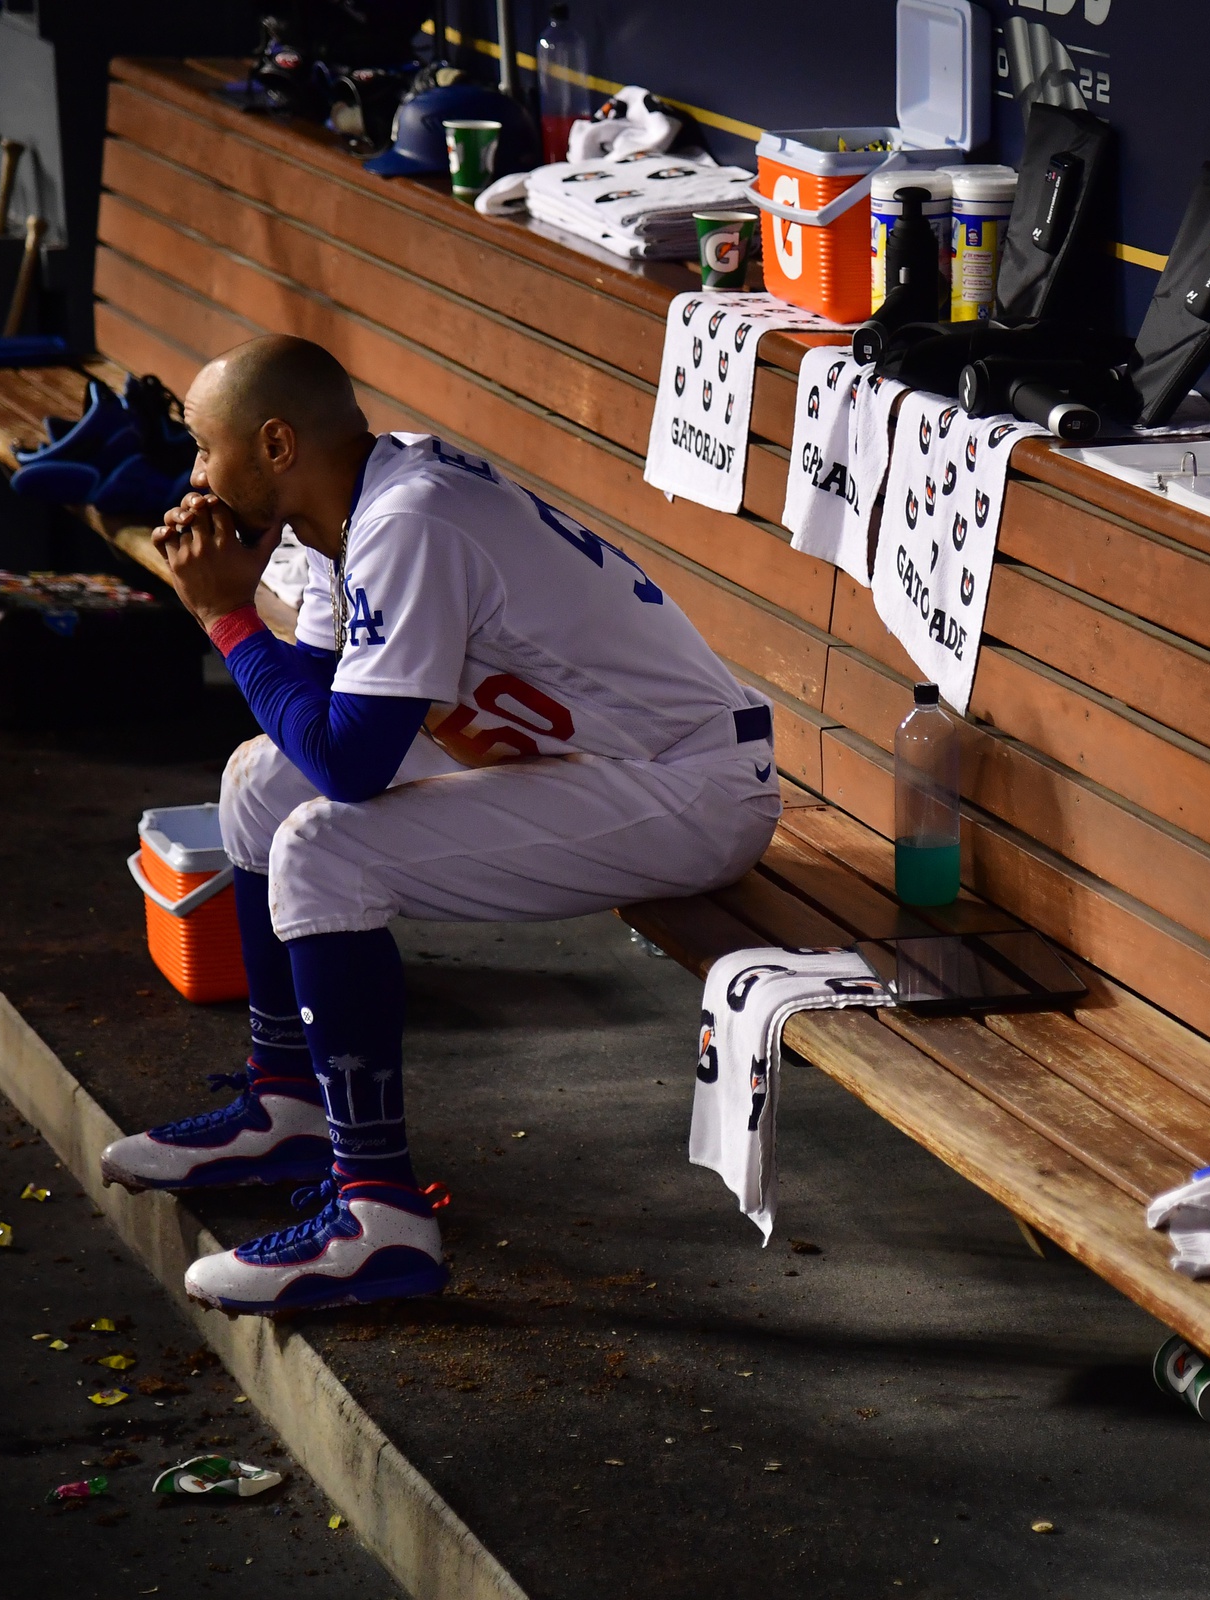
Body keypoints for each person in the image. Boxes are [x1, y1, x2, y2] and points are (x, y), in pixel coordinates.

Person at [101, 335, 779, 1315]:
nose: (195, 475)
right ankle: (290, 1105)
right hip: (591, 760)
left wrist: (227, 618)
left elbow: (352, 764)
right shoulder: (348, 502)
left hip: (687, 787)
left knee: (322, 849)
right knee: (261, 786)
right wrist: (244, 606)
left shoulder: (408, 521)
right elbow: (329, 716)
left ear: (278, 444)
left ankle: (379, 1221)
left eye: (207, 450)